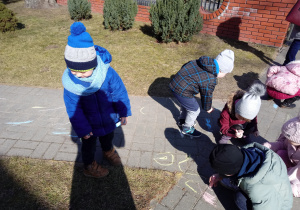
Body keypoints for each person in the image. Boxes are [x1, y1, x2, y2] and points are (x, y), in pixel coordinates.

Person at [62, 22, 131, 178]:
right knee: (88, 146)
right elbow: (73, 108)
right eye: (73, 71)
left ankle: (108, 151)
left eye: (83, 71)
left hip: (108, 117)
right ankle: (89, 165)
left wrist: (123, 111)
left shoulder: (107, 72)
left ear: (93, 65)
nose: (78, 75)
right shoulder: (70, 83)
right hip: (89, 124)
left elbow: (119, 91)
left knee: (108, 136)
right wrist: (82, 128)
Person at [169, 49, 235, 138]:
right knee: (195, 110)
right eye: (226, 73)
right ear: (221, 70)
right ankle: (187, 128)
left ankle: (182, 120)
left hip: (176, 83)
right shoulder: (210, 79)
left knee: (188, 105)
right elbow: (206, 94)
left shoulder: (201, 62)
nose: (225, 76)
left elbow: (185, 66)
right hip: (182, 90)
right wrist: (208, 108)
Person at [209, 143, 293, 210]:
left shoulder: (256, 189)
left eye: (222, 172)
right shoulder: (253, 153)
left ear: (230, 172)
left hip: (277, 205)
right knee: (225, 180)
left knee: (240, 199)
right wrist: (220, 175)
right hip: (272, 190)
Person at [264, 113, 300, 197]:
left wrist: (279, 182)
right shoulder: (294, 130)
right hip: (293, 161)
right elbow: (283, 143)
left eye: (289, 139)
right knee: (280, 153)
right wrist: (267, 146)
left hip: (297, 182)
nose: (287, 139)